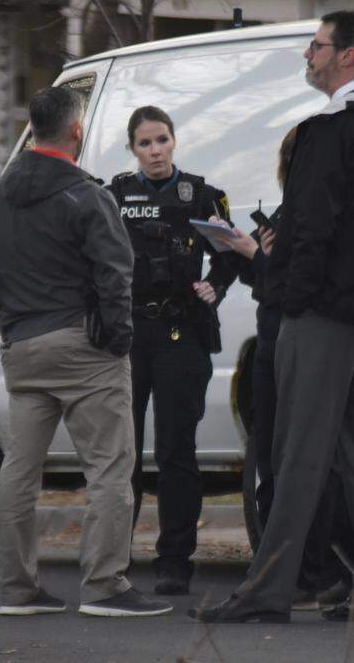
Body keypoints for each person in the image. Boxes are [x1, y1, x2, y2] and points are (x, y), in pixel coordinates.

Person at [191, 10, 354, 623]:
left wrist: (287, 296)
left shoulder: (331, 133)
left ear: (348, 56)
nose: (307, 54)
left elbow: (309, 231)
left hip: (322, 315)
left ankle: (267, 592)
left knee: (297, 453)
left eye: (318, 46)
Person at [0, 86, 171, 618]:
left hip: (21, 344)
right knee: (110, 467)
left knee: (19, 470)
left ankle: (18, 590)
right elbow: (117, 272)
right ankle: (105, 584)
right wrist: (118, 339)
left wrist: (15, 322)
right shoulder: (86, 195)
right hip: (82, 345)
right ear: (76, 132)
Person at [217, 129, 354, 614]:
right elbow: (266, 276)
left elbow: (294, 277)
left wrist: (257, 256)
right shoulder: (290, 210)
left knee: (290, 462)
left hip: (289, 339)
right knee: (282, 462)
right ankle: (302, 572)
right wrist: (247, 253)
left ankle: (305, 573)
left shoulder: (309, 210)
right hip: (275, 336)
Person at [107, 105, 238, 597]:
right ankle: (113, 555)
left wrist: (214, 286)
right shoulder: (115, 196)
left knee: (176, 451)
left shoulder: (203, 195)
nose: (156, 150)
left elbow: (230, 251)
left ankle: (175, 561)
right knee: (122, 452)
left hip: (182, 333)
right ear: (133, 149)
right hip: (130, 336)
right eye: (145, 143)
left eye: (162, 140)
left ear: (174, 141)